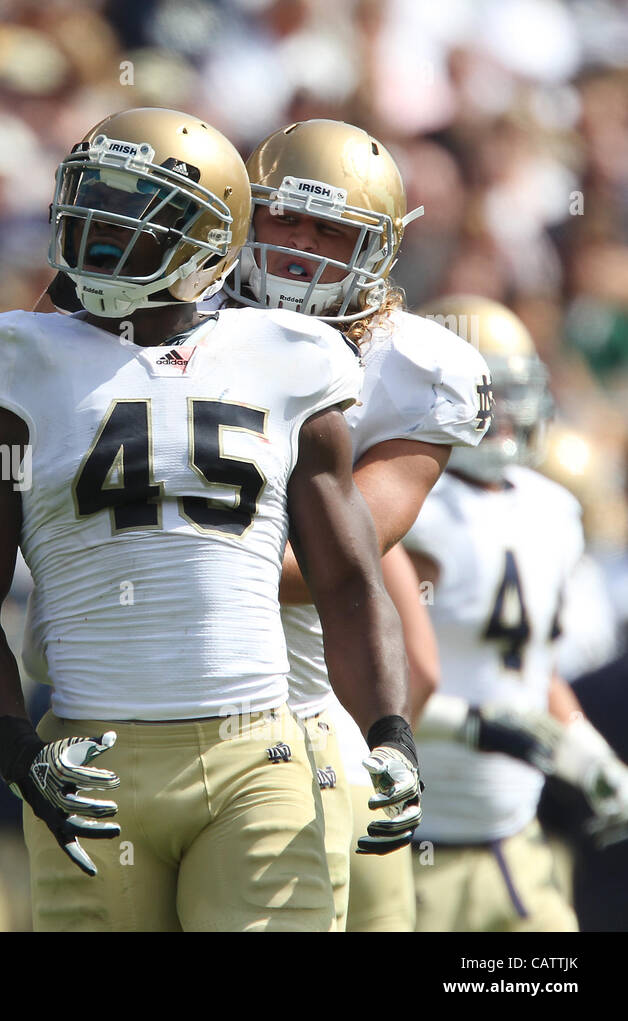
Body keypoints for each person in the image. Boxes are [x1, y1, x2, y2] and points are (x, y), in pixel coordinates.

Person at [0, 107, 420, 932]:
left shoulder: (292, 357)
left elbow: (347, 577)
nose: (100, 226)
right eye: (92, 199)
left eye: (138, 207)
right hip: (89, 755)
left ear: (210, 238)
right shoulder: (5, 367)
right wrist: (17, 751)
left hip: (261, 754)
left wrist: (391, 733)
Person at [224, 120, 493, 931]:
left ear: (379, 248)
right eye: (285, 219)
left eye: (333, 228)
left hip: (318, 711)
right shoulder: (172, 317)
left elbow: (339, 559)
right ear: (244, 216)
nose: (302, 245)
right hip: (147, 690)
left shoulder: (416, 365)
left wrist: (167, 562)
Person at [401, 296, 609, 931]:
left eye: (519, 392)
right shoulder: (412, 508)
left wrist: (592, 754)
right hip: (411, 845)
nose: (510, 415)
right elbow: (367, 682)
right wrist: (475, 725)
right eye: (492, 394)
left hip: (517, 840)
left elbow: (530, 668)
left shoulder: (552, 508)